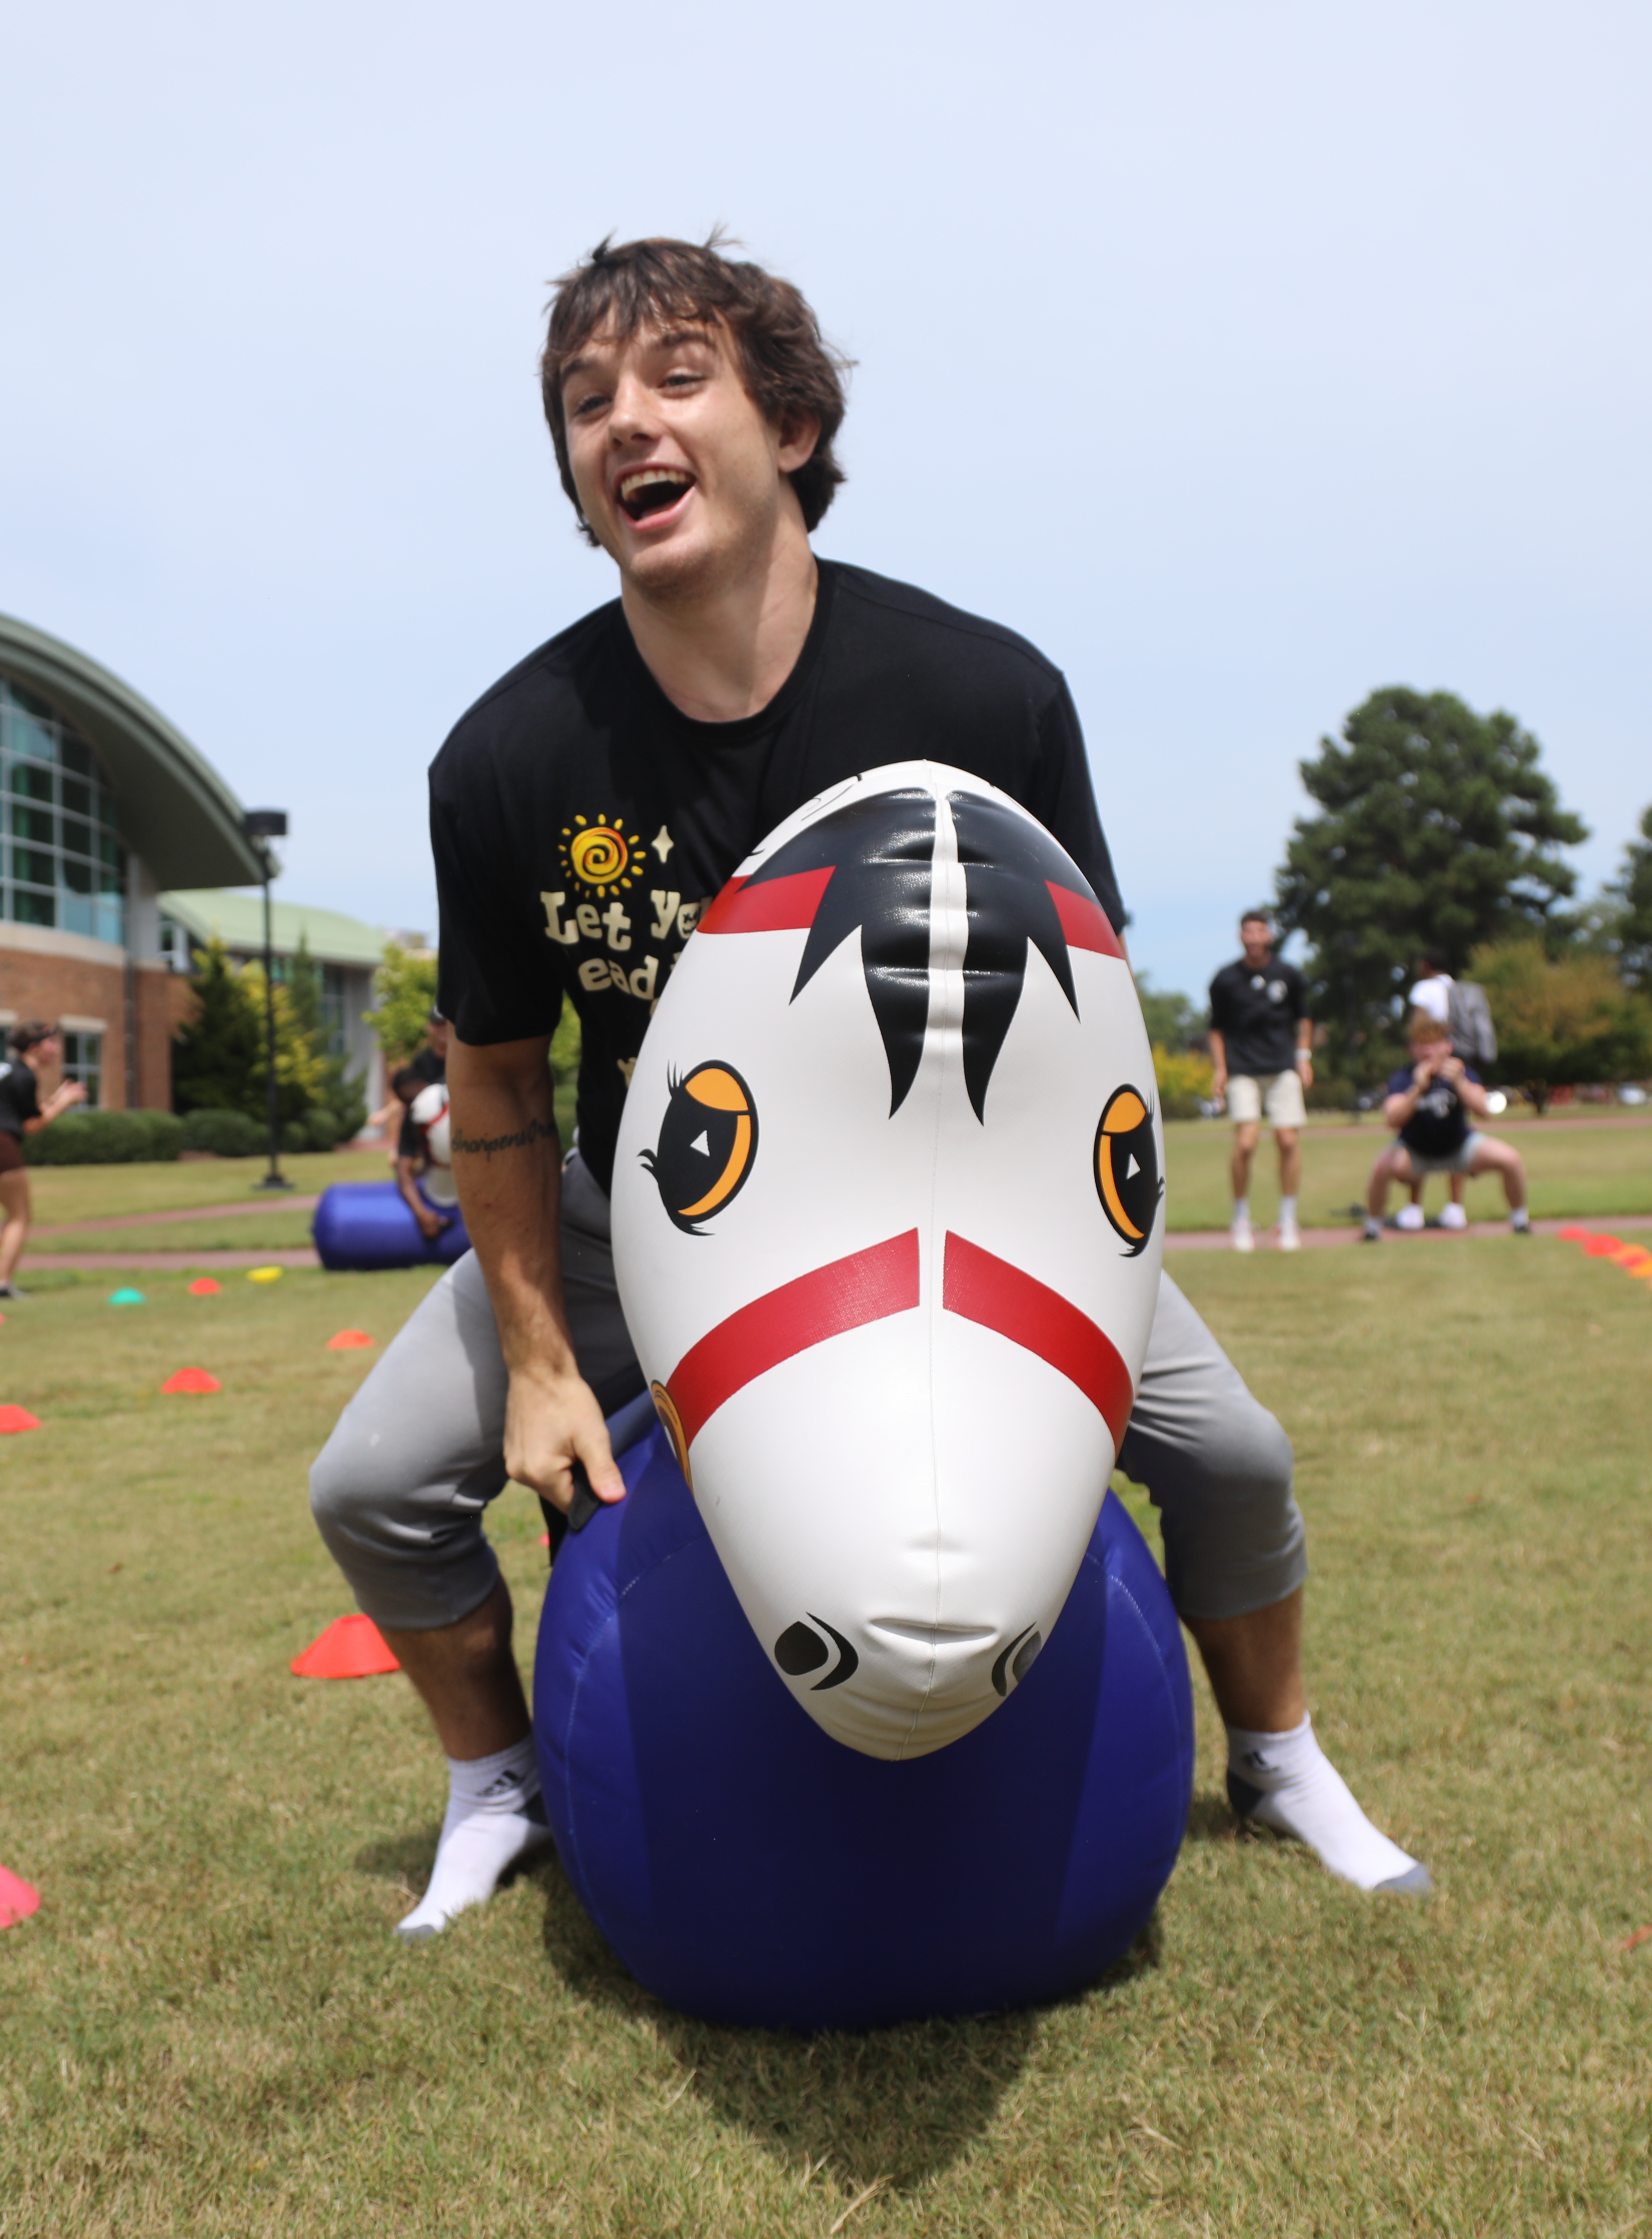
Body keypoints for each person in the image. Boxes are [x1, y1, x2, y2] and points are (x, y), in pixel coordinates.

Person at [307, 234, 1427, 1942]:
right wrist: (538, 1360)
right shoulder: (513, 754)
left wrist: (1083, 1279)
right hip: (653, 1215)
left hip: (971, 1193)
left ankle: (1277, 1753)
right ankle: (499, 1783)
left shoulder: (984, 695)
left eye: (678, 379)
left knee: (1237, 1457)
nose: (626, 425)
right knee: (371, 1486)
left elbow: (1088, 1039)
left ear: (796, 424)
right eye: (584, 401)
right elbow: (499, 1081)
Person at [0, 1022, 86, 1301]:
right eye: (51, 1043)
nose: (56, 1049)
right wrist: (63, 1105)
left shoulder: (9, 1070)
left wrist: (57, 1097)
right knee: (22, 1217)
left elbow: (22, 1113)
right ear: (34, 1048)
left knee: (14, 1214)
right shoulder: (25, 1077)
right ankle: (3, 1287)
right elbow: (31, 1126)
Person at [1359, 1011, 1529, 1240]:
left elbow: (1484, 1111)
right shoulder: (1404, 1077)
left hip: (1459, 1148)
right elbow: (1392, 1119)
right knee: (1381, 1167)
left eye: (1434, 1044)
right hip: (1415, 1152)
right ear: (1412, 1050)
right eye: (1422, 1045)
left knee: (1511, 1159)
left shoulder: (1462, 1073)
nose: (1428, 1051)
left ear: (1447, 1047)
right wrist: (1418, 1088)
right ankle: (1372, 1229)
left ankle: (1521, 1223)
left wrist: (1460, 1083)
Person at [1205, 911, 1312, 1251]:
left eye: (1260, 931)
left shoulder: (1289, 975)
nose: (1254, 937)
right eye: (1248, 932)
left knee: (1287, 1141)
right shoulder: (1225, 980)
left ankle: (1288, 1220)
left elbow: (1304, 1019)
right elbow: (1216, 1030)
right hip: (1242, 1069)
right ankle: (1240, 1218)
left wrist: (1304, 1058)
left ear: (1269, 936)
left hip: (1282, 1067)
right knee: (1247, 1142)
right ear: (1241, 937)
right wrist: (1220, 1069)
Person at [1394, 952, 1497, 1223]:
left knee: (1422, 1124)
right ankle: (1455, 1207)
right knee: (1454, 1125)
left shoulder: (1425, 988)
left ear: (1426, 965)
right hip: (1454, 1057)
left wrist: (1420, 1049)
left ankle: (1414, 1207)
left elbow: (1419, 1024)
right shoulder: (1458, 988)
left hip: (1431, 1056)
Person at [385, 1010, 458, 1245]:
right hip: (439, 1159)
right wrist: (421, 1214)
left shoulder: (471, 1060)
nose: (443, 1029)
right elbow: (404, 1166)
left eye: (447, 1023)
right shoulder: (422, 1093)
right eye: (438, 1024)